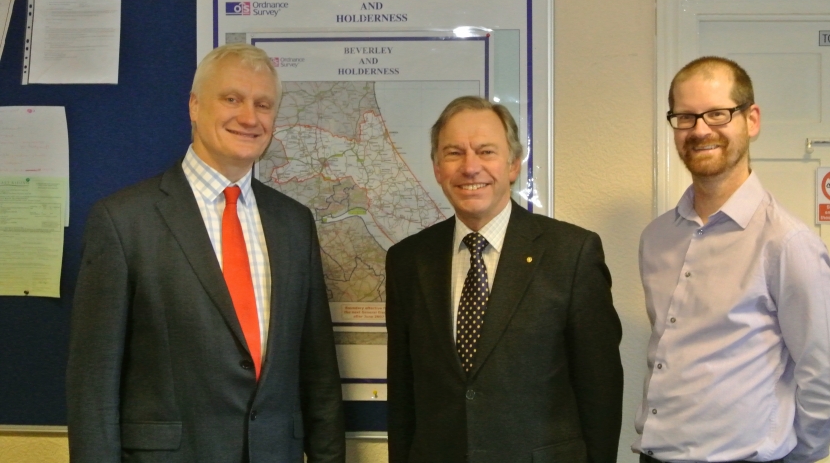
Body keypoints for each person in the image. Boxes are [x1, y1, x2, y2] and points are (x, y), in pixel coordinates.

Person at [66, 44, 345, 462]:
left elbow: (318, 373)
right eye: (231, 99)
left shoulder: (294, 224)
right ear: (195, 106)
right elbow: (93, 386)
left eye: (263, 104)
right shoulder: (124, 221)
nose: (250, 117)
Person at [385, 95, 624, 463]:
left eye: (485, 151)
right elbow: (403, 392)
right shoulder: (407, 260)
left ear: (513, 165)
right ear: (436, 168)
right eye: (453, 153)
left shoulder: (571, 253)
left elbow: (601, 390)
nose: (470, 167)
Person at [634, 56, 830, 463]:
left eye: (718, 114)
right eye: (685, 117)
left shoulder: (788, 244)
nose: (700, 129)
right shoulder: (656, 239)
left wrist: (796, 456)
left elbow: (823, 373)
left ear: (751, 120)